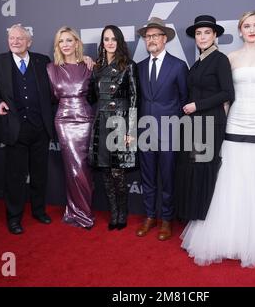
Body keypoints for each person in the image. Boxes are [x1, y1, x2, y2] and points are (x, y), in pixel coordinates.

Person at [181, 11, 255, 272]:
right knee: (231, 178)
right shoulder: (230, 58)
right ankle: (229, 239)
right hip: (234, 121)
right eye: (246, 25)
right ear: (239, 30)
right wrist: (223, 120)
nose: (251, 29)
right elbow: (225, 95)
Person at [0, 24, 53, 234]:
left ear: (29, 42)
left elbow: (58, 82)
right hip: (15, 129)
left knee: (39, 175)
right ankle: (14, 218)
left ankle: (39, 211)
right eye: (12, 38)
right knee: (15, 177)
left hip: (40, 128)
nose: (15, 41)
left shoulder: (42, 61)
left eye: (20, 38)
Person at [175, 15, 234, 222]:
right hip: (194, 125)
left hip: (210, 123)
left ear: (215, 35)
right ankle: (194, 220)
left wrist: (196, 105)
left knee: (204, 172)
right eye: (199, 33)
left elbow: (228, 93)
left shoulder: (220, 60)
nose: (202, 37)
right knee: (193, 172)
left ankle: (204, 221)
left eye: (207, 32)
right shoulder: (198, 62)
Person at [135, 17, 188, 241]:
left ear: (164, 39)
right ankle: (150, 216)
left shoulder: (178, 66)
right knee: (147, 177)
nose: (151, 40)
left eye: (156, 35)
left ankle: (166, 219)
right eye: (148, 36)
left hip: (169, 132)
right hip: (145, 132)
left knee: (167, 177)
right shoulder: (139, 67)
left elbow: (184, 99)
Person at [88, 25, 138, 231]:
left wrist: (131, 131)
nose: (109, 42)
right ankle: (114, 213)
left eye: (113, 39)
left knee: (118, 173)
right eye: (106, 39)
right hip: (101, 122)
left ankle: (123, 212)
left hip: (120, 122)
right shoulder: (97, 67)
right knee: (106, 172)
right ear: (102, 42)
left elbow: (134, 98)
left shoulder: (128, 65)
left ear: (119, 42)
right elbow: (92, 97)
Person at [46, 26, 95, 230]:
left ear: (76, 43)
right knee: (72, 168)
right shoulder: (51, 68)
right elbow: (49, 97)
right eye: (61, 41)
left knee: (84, 167)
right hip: (64, 120)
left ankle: (81, 210)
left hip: (85, 118)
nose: (65, 45)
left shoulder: (89, 65)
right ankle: (78, 212)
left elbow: (96, 94)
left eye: (69, 40)